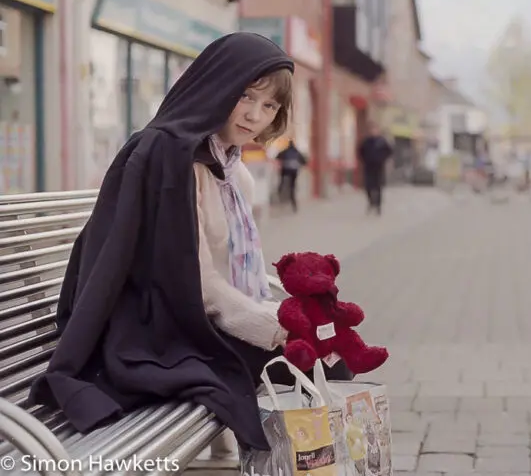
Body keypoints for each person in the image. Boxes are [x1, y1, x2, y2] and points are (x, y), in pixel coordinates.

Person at [26, 33, 353, 467]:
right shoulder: (173, 158)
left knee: (334, 349)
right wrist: (279, 328)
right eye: (246, 96)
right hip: (155, 333)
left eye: (270, 106)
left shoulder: (232, 171)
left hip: (200, 321)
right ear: (218, 86)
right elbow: (198, 286)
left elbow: (232, 278)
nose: (255, 115)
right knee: (314, 364)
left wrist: (298, 319)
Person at [358, 121, 392, 215]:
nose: (373, 131)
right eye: (372, 130)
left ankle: (378, 205)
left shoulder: (382, 141)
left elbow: (389, 151)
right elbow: (360, 152)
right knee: (368, 186)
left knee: (378, 186)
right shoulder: (366, 141)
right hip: (368, 166)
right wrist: (365, 160)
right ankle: (371, 202)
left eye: (375, 129)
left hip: (379, 167)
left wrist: (382, 159)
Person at [275, 139, 307, 212]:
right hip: (294, 171)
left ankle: (280, 190)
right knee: (292, 186)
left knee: (282, 180)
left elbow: (277, 157)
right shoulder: (296, 152)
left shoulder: (285, 151)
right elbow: (304, 161)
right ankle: (293, 197)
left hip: (285, 170)